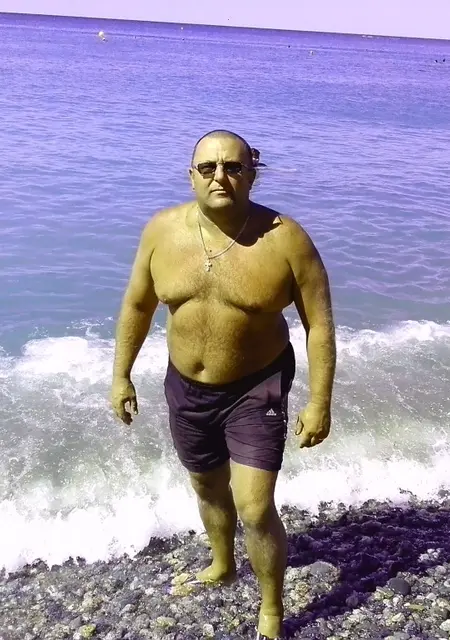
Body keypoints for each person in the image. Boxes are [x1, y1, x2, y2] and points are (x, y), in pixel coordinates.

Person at [110, 130, 336, 640]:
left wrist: (320, 401)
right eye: (208, 167)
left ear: (252, 174)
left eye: (233, 167)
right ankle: (223, 564)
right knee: (208, 486)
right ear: (191, 175)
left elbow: (319, 324)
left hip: (258, 386)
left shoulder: (287, 240)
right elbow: (138, 305)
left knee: (254, 506)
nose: (220, 177)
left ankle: (272, 609)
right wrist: (121, 374)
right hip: (186, 387)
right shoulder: (161, 231)